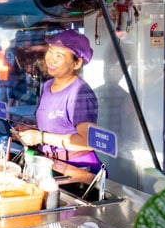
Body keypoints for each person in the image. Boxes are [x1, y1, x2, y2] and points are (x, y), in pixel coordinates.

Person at [14, 29, 101, 174]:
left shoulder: (80, 93)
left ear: (77, 63)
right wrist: (33, 130)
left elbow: (87, 141)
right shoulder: (48, 85)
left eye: (59, 55)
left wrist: (41, 137)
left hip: (77, 166)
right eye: (51, 51)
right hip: (52, 162)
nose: (51, 59)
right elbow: (60, 125)